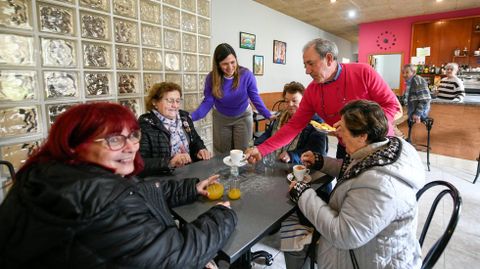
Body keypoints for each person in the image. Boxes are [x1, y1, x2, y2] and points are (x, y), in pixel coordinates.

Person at [0, 103, 237, 269]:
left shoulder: (48, 175)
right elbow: (176, 258)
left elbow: (140, 190)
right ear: (74, 146)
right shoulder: (105, 201)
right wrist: (222, 215)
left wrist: (190, 188)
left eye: (133, 135)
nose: (131, 147)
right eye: (114, 139)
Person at [288, 100, 425, 269]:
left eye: (342, 130)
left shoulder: (380, 185)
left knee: (292, 238)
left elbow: (343, 235)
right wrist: (321, 162)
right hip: (370, 246)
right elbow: (357, 169)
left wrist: (303, 193)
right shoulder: (383, 150)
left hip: (371, 260)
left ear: (362, 136)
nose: (339, 134)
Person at [246, 38, 399, 163]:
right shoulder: (312, 90)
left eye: (311, 64)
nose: (307, 71)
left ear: (329, 58)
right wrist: (262, 149)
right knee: (343, 189)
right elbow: (294, 126)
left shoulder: (363, 72)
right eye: (305, 65)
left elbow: (392, 106)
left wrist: (363, 128)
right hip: (346, 146)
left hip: (378, 144)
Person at [191, 43, 273, 154]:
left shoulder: (246, 75)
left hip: (243, 116)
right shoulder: (212, 78)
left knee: (244, 153)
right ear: (218, 64)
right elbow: (208, 101)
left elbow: (254, 97)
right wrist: (191, 117)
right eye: (225, 64)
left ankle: (243, 172)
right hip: (221, 118)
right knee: (222, 154)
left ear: (236, 60)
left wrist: (267, 114)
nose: (230, 67)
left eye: (232, 62)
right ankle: (222, 172)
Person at [138, 82, 211, 177]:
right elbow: (139, 163)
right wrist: (170, 162)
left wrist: (200, 150)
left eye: (177, 101)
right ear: (155, 102)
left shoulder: (184, 117)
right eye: (170, 101)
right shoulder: (145, 125)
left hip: (189, 172)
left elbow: (195, 140)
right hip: (163, 180)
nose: (175, 105)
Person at [254, 81, 328, 163]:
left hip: (301, 167)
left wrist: (292, 155)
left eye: (294, 101)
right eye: (286, 101)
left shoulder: (316, 122)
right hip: (278, 161)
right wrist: (256, 146)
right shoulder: (281, 116)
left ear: (304, 101)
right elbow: (268, 134)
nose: (290, 104)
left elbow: (317, 151)